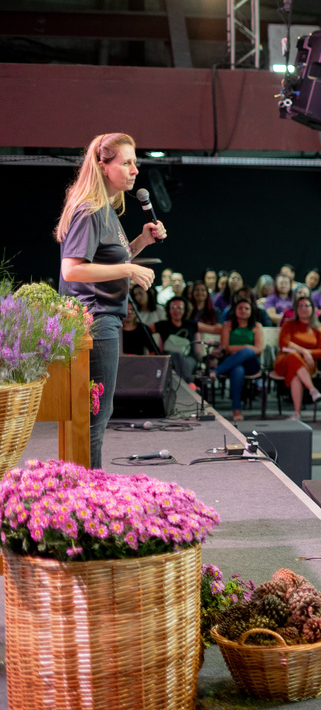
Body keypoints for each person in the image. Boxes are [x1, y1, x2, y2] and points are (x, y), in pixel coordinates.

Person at [56, 132, 164, 467]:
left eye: (136, 163)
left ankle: (87, 488)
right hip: (94, 318)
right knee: (94, 415)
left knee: (95, 413)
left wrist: (140, 243)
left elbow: (106, 262)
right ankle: (89, 493)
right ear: (104, 166)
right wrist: (130, 268)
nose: (135, 170)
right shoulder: (90, 210)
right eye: (127, 163)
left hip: (101, 318)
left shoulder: (106, 210)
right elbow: (73, 271)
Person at [272, 296, 321, 420]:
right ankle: (312, 389)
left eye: (307, 306)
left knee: (296, 373)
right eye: (300, 306)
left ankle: (297, 413)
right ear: (296, 309)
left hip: (307, 364)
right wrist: (304, 351)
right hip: (284, 360)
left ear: (313, 309)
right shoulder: (289, 324)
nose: (303, 309)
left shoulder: (319, 328)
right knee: (293, 356)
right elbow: (284, 343)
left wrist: (307, 353)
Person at [215, 297, 263, 423]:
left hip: (252, 364)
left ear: (251, 311)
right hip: (233, 363)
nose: (243, 311)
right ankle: (236, 410)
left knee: (247, 351)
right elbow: (225, 348)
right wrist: (247, 347)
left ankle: (215, 372)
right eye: (240, 308)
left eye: (246, 308)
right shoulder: (227, 326)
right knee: (238, 369)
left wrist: (243, 349)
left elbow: (258, 349)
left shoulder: (257, 327)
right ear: (235, 310)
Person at [154, 296, 198, 382]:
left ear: (185, 310)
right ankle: (189, 384)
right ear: (168, 310)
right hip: (168, 358)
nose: (176, 310)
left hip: (189, 358)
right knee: (175, 356)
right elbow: (142, 329)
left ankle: (185, 385)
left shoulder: (191, 324)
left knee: (180, 358)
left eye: (180, 308)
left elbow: (215, 329)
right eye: (173, 307)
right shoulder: (163, 325)